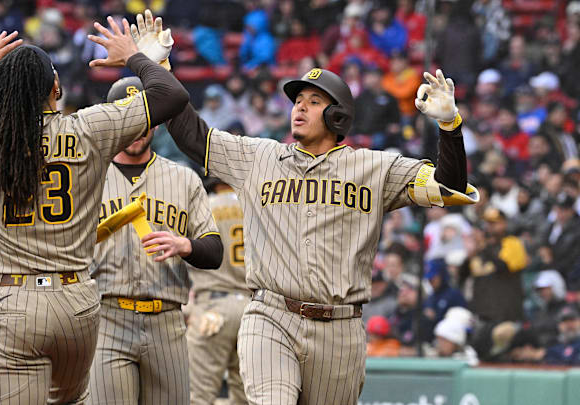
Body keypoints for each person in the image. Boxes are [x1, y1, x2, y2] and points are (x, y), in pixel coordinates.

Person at [0, 12, 189, 404]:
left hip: (12, 299)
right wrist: (137, 58)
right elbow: (172, 96)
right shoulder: (89, 127)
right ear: (56, 87)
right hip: (76, 301)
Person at [164, 61, 478, 403]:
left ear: (337, 115)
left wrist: (449, 125)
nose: (300, 106)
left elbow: (449, 186)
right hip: (271, 315)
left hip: (340, 328)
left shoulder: (375, 167)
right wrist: (159, 71)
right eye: (298, 100)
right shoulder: (258, 157)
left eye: (314, 101)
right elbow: (192, 137)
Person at [87, 75, 222, 405]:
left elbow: (214, 251)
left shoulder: (183, 178)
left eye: (144, 118)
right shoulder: (87, 175)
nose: (136, 128)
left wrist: (185, 245)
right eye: (127, 118)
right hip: (106, 316)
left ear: (157, 123)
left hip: (168, 321)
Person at [187, 177, 250, 405]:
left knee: (199, 397)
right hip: (252, 310)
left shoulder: (205, 209)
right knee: (246, 398)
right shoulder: (256, 208)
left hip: (213, 307)